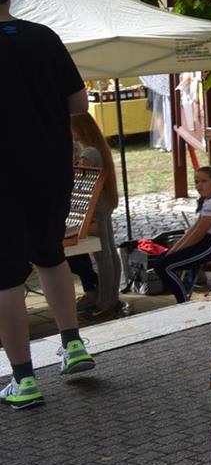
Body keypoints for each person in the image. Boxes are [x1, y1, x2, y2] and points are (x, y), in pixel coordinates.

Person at [1, 0, 96, 409]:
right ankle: (73, 344)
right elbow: (79, 104)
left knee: (5, 276)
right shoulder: (44, 37)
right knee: (51, 253)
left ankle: (23, 380)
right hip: (50, 166)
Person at [69, 113, 123, 319]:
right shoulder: (95, 148)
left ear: (80, 129)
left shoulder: (89, 152)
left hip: (96, 207)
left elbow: (77, 178)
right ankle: (111, 298)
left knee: (103, 256)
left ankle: (105, 301)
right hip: (103, 204)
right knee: (109, 252)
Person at [151, 164, 211, 303]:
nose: (199, 186)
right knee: (161, 260)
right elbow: (194, 228)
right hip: (206, 240)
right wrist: (173, 249)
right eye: (196, 182)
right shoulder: (209, 199)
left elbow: (198, 233)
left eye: (204, 181)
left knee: (164, 266)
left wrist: (176, 250)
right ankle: (183, 295)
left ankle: (182, 300)